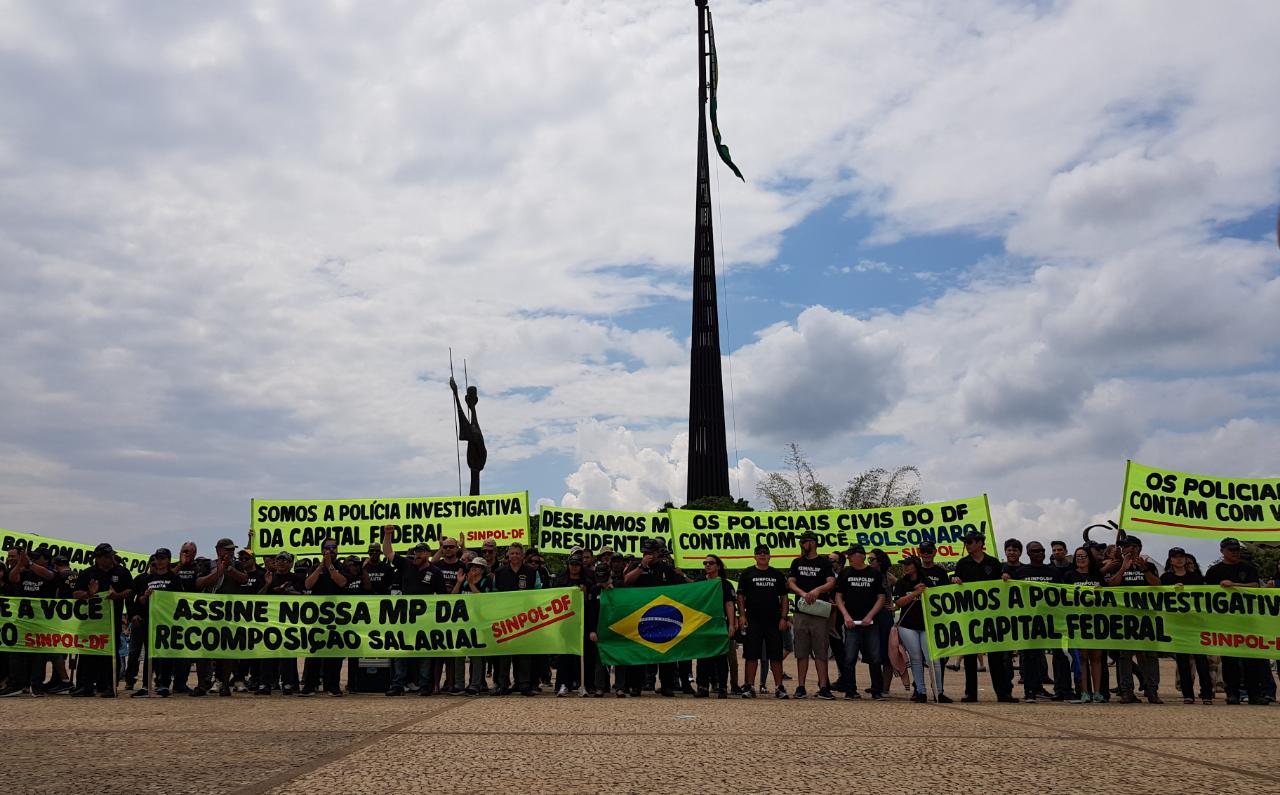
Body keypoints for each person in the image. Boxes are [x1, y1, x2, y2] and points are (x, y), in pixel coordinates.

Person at [951, 531, 1014, 702]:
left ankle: (1003, 693)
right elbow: (957, 583)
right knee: (970, 656)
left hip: (991, 616)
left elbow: (1000, 585)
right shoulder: (962, 563)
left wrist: (1004, 578)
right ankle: (970, 693)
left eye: (970, 541)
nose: (967, 544)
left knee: (996, 658)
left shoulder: (993, 562)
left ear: (980, 543)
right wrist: (955, 580)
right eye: (966, 542)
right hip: (970, 616)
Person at [1205, 537, 1268, 705]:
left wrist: (1234, 585)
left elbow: (1255, 586)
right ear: (1222, 551)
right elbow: (1205, 593)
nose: (1235, 552)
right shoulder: (1214, 571)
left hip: (1248, 620)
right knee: (1229, 660)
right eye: (1231, 550)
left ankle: (1254, 693)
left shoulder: (1248, 568)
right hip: (1226, 621)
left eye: (1236, 549)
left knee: (1251, 659)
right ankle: (1232, 693)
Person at [382, 525, 439, 697]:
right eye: (416, 552)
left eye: (421, 552)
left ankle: (424, 685)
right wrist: (387, 535)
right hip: (405, 617)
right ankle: (397, 684)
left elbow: (443, 596)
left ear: (428, 554)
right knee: (401, 651)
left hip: (425, 619)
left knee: (424, 653)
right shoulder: (407, 565)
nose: (417, 554)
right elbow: (388, 552)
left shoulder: (434, 572)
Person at [70, 543, 133, 697]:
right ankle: (87, 686)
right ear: (97, 558)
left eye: (111, 556)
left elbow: (131, 590)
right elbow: (76, 594)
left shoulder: (122, 572)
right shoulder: (87, 573)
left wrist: (117, 596)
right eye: (106, 557)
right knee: (89, 654)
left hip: (112, 621)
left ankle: (111, 686)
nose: (110, 559)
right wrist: (89, 594)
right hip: (91, 623)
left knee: (112, 654)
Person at [622, 540, 683, 697]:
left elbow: (681, 589)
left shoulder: (666, 569)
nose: (647, 555)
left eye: (650, 552)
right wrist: (642, 566)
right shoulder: (636, 565)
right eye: (645, 552)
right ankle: (636, 686)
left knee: (665, 651)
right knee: (639, 651)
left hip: (663, 616)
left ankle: (667, 685)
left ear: (658, 553)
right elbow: (626, 581)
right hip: (641, 617)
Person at [1105, 536, 1161, 704]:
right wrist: (1123, 568)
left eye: (1128, 546)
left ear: (1138, 548)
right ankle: (1126, 691)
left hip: (1146, 616)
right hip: (1124, 616)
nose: (1124, 549)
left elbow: (1158, 585)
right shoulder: (1116, 566)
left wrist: (1144, 570)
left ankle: (1152, 691)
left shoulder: (1149, 565)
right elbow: (1111, 586)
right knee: (1124, 656)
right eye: (1123, 547)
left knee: (1150, 655)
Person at [787, 530, 837, 700]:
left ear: (813, 542)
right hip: (801, 611)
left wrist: (816, 591)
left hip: (819, 612)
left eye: (805, 541)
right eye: (801, 541)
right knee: (801, 651)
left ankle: (823, 686)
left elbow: (831, 582)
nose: (802, 544)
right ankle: (800, 686)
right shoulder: (796, 562)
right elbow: (791, 582)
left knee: (821, 651)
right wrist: (803, 593)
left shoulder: (824, 563)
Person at [736, 545, 790, 699]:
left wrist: (784, 617)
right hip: (753, 619)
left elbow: (784, 597)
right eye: (759, 553)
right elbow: (740, 596)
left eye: (765, 553)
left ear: (769, 556)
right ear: (754, 556)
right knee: (751, 654)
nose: (762, 555)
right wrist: (742, 615)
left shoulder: (777, 574)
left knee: (776, 655)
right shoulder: (747, 573)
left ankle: (779, 687)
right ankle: (749, 686)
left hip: (773, 620)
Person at [1161, 547, 1213, 704]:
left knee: (1201, 660)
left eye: (1181, 556)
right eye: (1175, 557)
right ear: (1170, 560)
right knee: (1182, 661)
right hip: (1177, 624)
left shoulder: (1195, 577)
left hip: (1195, 623)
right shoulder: (1166, 578)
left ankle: (1206, 694)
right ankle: (1188, 694)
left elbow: (1204, 598)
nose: (1179, 559)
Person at [1, 546, 55, 697]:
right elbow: (12, 578)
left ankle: (36, 685)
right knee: (16, 653)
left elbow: (49, 576)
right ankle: (16, 685)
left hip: (41, 621)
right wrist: (20, 564)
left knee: (39, 655)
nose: (33, 559)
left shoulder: (49, 571)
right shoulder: (23, 573)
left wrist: (30, 564)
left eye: (36, 557)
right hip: (22, 619)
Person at [198, 538, 249, 696]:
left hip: (230, 612)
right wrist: (219, 571)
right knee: (204, 650)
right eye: (227, 549)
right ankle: (202, 684)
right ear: (218, 550)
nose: (231, 552)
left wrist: (229, 569)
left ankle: (225, 684)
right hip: (210, 612)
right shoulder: (208, 565)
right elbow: (199, 583)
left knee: (228, 650)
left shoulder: (237, 565)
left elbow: (244, 579)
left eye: (232, 550)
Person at [834, 544, 885, 701]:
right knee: (849, 657)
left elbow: (881, 597)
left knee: (875, 657)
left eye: (850, 555)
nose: (848, 558)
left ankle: (877, 690)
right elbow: (838, 597)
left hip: (871, 623)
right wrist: (846, 616)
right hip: (851, 623)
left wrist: (870, 616)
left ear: (860, 555)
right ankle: (850, 690)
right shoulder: (845, 573)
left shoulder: (875, 574)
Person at [132, 548, 182, 697]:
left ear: (168, 560)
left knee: (165, 652)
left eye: (162, 558)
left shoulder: (174, 578)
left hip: (166, 620)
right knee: (149, 653)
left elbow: (179, 599)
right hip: (150, 619)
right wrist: (145, 596)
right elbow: (139, 600)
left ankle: (164, 684)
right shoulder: (148, 579)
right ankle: (146, 685)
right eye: (157, 558)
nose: (159, 561)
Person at [1012, 542, 1057, 702]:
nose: (1040, 553)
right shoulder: (1021, 572)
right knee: (1029, 657)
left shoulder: (1052, 571)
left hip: (1049, 619)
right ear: (1029, 554)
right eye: (1036, 551)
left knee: (1042, 657)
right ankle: (1029, 689)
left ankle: (1039, 687)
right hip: (1029, 621)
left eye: (1042, 550)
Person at [301, 539, 347, 697]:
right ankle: (309, 685)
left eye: (334, 547)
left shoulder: (342, 566)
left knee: (334, 654)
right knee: (314, 653)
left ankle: (332, 686)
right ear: (322, 550)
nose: (331, 550)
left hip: (337, 616)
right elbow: (307, 585)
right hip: (318, 617)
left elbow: (341, 582)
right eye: (328, 548)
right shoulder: (315, 567)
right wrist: (321, 566)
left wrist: (330, 566)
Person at [493, 542, 540, 696]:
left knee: (524, 653)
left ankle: (524, 685)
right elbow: (494, 593)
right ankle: (503, 684)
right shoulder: (499, 572)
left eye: (517, 553)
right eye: (512, 553)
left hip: (525, 617)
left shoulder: (532, 571)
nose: (514, 556)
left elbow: (538, 592)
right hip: (505, 618)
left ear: (522, 555)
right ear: (508, 555)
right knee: (504, 653)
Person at [1061, 546, 1105, 703]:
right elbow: (1063, 597)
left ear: (1089, 558)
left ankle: (1098, 692)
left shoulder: (1097, 575)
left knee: (1097, 658)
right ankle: (1085, 691)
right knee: (1083, 658)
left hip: (1096, 621)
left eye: (1083, 556)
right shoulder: (1069, 575)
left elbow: (1108, 595)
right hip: (1078, 621)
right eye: (1078, 556)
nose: (1080, 558)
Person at [892, 556, 935, 703]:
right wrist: (915, 594)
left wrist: (926, 590)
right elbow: (899, 602)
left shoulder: (927, 581)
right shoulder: (901, 582)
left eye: (908, 564)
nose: (905, 567)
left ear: (916, 565)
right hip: (908, 624)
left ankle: (938, 690)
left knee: (931, 658)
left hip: (927, 624)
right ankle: (920, 691)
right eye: (904, 564)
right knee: (915, 658)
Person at [694, 554, 735, 699]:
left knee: (720, 657)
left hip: (719, 624)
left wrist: (731, 624)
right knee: (702, 657)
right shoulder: (699, 582)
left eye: (711, 563)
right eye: (705, 563)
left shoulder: (725, 584)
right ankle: (702, 686)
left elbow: (729, 605)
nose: (707, 565)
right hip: (703, 625)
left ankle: (722, 687)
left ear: (718, 566)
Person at [432, 537, 468, 695]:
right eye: (445, 547)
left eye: (450, 547)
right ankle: (435, 685)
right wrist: (439, 547)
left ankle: (452, 683)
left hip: (457, 611)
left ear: (456, 549)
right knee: (438, 652)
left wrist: (463, 547)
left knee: (452, 652)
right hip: (438, 611)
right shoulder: (438, 565)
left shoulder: (462, 566)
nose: (447, 550)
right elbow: (431, 563)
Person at [454, 556, 494, 696]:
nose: (473, 569)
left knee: (476, 656)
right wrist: (459, 583)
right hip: (463, 623)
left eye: (476, 567)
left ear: (483, 570)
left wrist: (471, 584)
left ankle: (475, 685)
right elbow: (452, 597)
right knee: (460, 654)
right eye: (471, 567)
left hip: (479, 623)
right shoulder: (463, 581)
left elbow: (484, 600)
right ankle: (459, 684)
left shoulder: (486, 582)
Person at [553, 553, 592, 696]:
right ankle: (564, 684)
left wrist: (585, 592)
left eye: (577, 565)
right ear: (568, 566)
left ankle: (583, 684)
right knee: (565, 655)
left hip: (581, 623)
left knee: (582, 655)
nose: (574, 567)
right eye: (572, 564)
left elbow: (589, 603)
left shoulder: (587, 581)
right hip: (565, 623)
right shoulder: (560, 581)